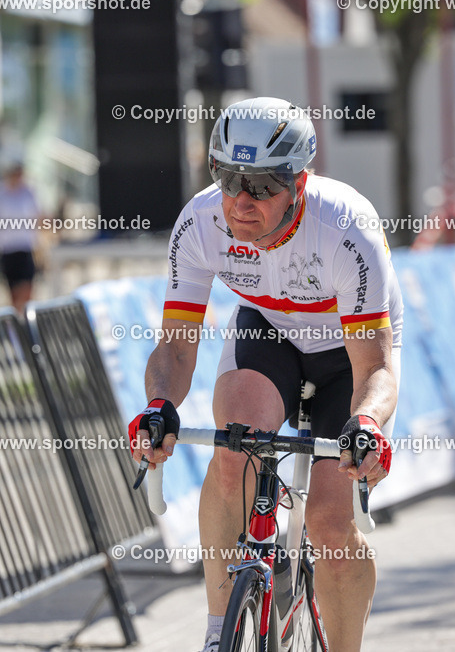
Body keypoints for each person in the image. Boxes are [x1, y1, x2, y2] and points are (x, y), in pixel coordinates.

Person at [127, 98, 402, 652]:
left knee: (329, 526)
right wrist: (158, 408)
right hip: (268, 329)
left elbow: (374, 367)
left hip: (346, 353)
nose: (240, 201)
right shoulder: (201, 223)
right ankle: (217, 627)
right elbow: (176, 351)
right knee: (234, 452)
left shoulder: (346, 229)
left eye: (261, 185)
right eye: (228, 178)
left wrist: (367, 423)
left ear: (300, 183)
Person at [0, 163, 41, 315]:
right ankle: (19, 325)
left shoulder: (29, 194)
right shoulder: (0, 196)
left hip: (25, 248)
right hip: (7, 250)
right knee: (13, 294)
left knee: (26, 289)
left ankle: (25, 322)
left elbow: (39, 217)